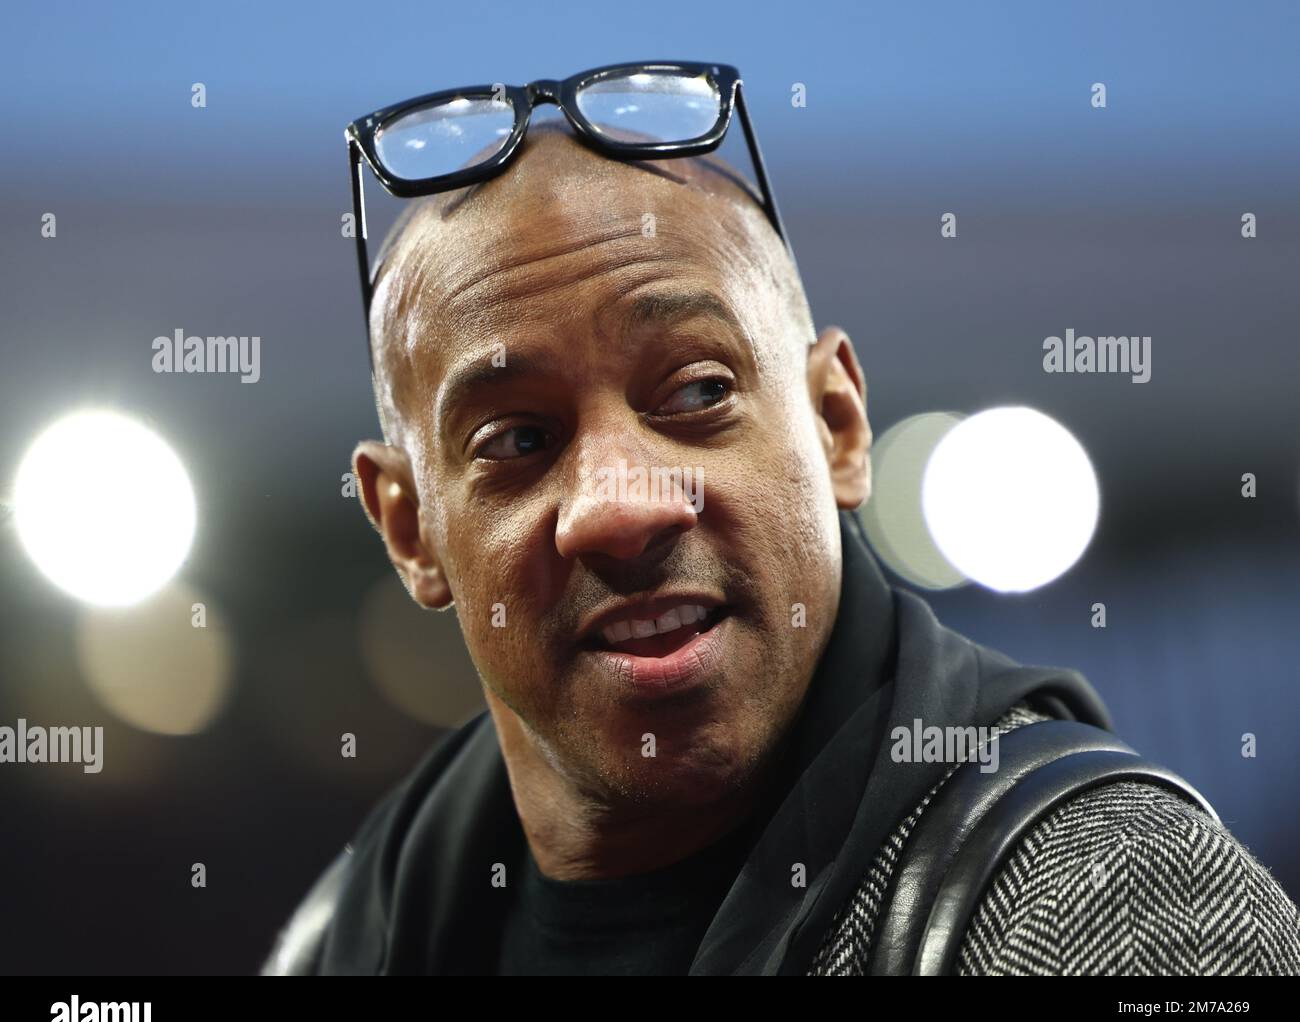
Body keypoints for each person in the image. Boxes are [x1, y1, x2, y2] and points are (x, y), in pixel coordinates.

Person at [262, 114, 1300, 976]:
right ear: (408, 529)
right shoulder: (343, 937)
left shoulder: (1111, 908)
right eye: (517, 440)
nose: (622, 506)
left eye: (700, 392)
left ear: (838, 428)